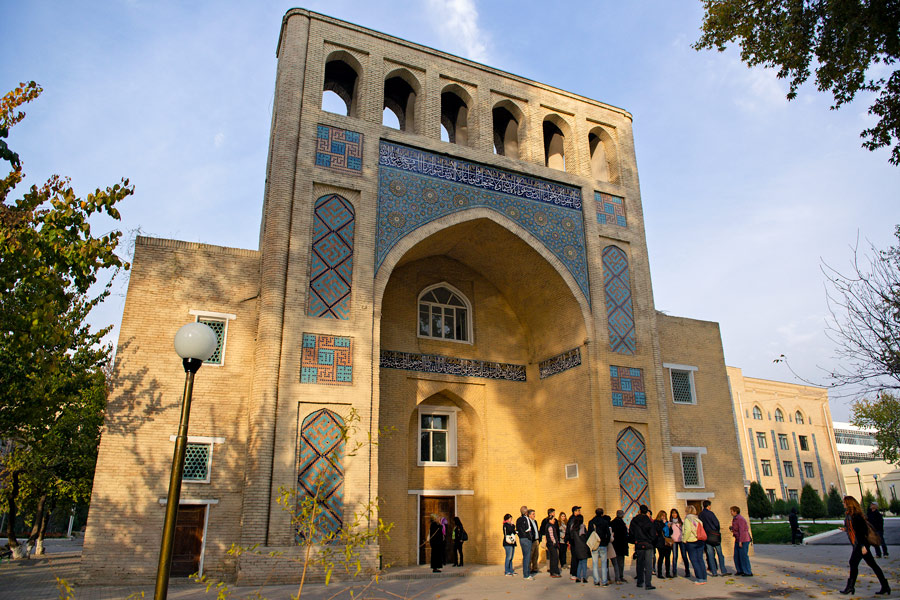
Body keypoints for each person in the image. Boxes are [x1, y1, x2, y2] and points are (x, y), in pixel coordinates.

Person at [839, 496, 890, 595]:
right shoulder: (849, 515)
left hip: (861, 544)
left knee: (853, 562)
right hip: (858, 544)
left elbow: (862, 532)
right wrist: (845, 529)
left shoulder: (856, 515)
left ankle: (850, 587)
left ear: (849, 503)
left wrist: (863, 546)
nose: (843, 504)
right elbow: (853, 529)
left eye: (844, 502)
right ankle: (885, 586)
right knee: (872, 565)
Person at [628, 504, 657, 590]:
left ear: (639, 511)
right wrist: (651, 541)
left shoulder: (634, 520)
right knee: (648, 564)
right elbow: (653, 533)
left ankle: (640, 582)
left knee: (640, 563)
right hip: (648, 544)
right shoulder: (648, 521)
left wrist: (635, 540)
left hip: (639, 544)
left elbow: (631, 532)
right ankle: (648, 583)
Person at [699, 500, 729, 576]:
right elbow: (716, 523)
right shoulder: (710, 513)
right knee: (720, 554)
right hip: (714, 536)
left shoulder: (701, 514)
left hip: (706, 537)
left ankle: (714, 572)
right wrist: (717, 530)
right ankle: (723, 570)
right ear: (708, 506)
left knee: (710, 555)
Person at [683, 505, 707, 584]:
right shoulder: (698, 520)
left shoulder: (687, 519)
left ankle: (699, 578)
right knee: (700, 559)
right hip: (700, 540)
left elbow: (688, 530)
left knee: (694, 560)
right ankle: (704, 577)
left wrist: (684, 540)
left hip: (691, 541)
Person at [587, 508, 610, 586]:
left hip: (595, 545)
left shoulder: (591, 522)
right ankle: (604, 581)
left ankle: (596, 580)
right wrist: (606, 542)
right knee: (604, 563)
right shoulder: (605, 522)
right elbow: (608, 534)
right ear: (602, 513)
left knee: (595, 563)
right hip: (603, 544)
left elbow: (589, 534)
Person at [728, 505, 752, 576]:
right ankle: (740, 570)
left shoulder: (740, 519)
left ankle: (747, 571)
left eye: (732, 511)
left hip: (743, 539)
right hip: (737, 539)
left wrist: (741, 541)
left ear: (735, 512)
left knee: (743, 556)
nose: (731, 512)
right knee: (736, 556)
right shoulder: (735, 519)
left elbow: (742, 530)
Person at [516, 506, 539, 580]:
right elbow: (528, 529)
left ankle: (526, 573)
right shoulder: (526, 519)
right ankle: (526, 574)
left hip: (521, 539)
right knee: (527, 557)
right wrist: (529, 536)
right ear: (526, 512)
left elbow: (517, 530)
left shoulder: (518, 519)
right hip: (526, 539)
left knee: (526, 556)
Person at [569, 513, 590, 583]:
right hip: (583, 546)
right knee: (584, 563)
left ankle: (577, 577)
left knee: (579, 563)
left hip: (576, 547)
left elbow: (571, 537)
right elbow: (586, 537)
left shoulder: (573, 528)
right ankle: (584, 577)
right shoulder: (582, 527)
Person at [670, 508, 691, 578]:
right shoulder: (670, 522)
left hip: (681, 540)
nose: (674, 514)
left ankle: (687, 571)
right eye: (673, 513)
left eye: (675, 513)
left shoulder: (681, 521)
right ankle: (674, 572)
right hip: (674, 541)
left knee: (684, 556)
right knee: (675, 556)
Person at [610, 510, 629, 584]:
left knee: (616, 563)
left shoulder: (612, 523)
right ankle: (619, 577)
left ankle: (618, 577)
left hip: (615, 545)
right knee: (620, 562)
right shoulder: (622, 524)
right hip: (621, 545)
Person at [654, 510, 672, 578]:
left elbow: (671, 532)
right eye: (662, 516)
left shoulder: (667, 523)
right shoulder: (657, 522)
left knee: (668, 557)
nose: (663, 517)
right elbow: (658, 530)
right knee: (661, 557)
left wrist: (670, 527)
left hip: (668, 541)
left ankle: (668, 573)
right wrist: (663, 524)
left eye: (665, 516)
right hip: (660, 542)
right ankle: (660, 573)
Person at [538, 508, 555, 573]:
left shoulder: (555, 520)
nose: (554, 514)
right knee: (548, 552)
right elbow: (542, 530)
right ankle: (549, 567)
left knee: (554, 553)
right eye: (553, 512)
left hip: (553, 538)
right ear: (550, 513)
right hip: (546, 538)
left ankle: (553, 566)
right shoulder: (545, 521)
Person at [567, 506, 582, 580]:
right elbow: (570, 531)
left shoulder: (574, 519)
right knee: (575, 557)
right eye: (578, 510)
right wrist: (570, 540)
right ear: (574, 512)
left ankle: (575, 572)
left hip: (575, 541)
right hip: (574, 541)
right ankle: (574, 573)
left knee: (576, 557)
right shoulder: (572, 520)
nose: (579, 512)